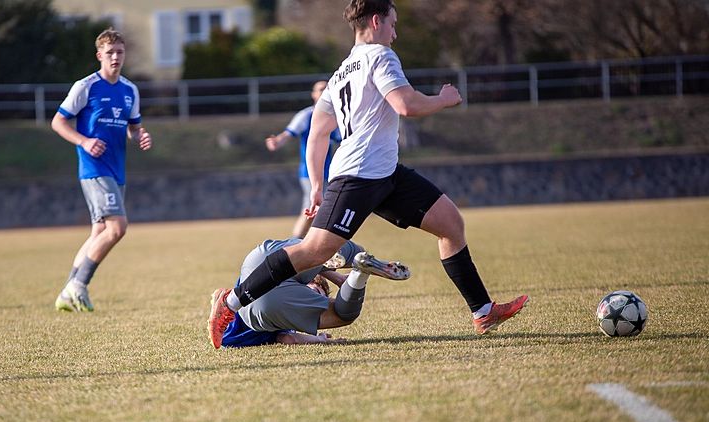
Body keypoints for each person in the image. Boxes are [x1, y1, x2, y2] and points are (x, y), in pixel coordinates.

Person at [208, 0, 528, 348]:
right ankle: (230, 303)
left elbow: (318, 133)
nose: (395, 32)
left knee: (451, 223)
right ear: (376, 21)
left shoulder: (341, 72)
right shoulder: (380, 56)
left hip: (385, 173)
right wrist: (444, 98)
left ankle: (483, 311)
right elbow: (406, 105)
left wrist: (317, 184)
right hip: (358, 175)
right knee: (313, 251)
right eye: (393, 23)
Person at [51, 28, 152, 312]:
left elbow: (133, 128)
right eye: (110, 53)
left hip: (117, 169)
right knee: (117, 228)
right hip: (94, 168)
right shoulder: (85, 86)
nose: (115, 57)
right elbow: (58, 122)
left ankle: (68, 291)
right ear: (99, 56)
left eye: (120, 52)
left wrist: (141, 136)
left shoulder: (130, 90)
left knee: (99, 232)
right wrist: (84, 141)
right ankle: (78, 285)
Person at [220, 237, 410, 347]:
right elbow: (287, 337)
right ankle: (354, 266)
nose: (317, 297)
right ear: (305, 285)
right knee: (343, 312)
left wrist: (336, 279)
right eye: (318, 292)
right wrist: (320, 339)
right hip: (258, 300)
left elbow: (288, 338)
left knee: (311, 253)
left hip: (259, 258)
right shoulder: (286, 313)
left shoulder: (284, 312)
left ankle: (353, 265)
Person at [265, 81, 342, 238]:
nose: (324, 91)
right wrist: (277, 141)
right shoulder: (306, 115)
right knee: (310, 209)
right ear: (313, 94)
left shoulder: (336, 116)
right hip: (310, 172)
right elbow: (288, 133)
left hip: (330, 172)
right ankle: (294, 243)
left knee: (322, 211)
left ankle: (312, 244)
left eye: (327, 88)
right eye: (321, 89)